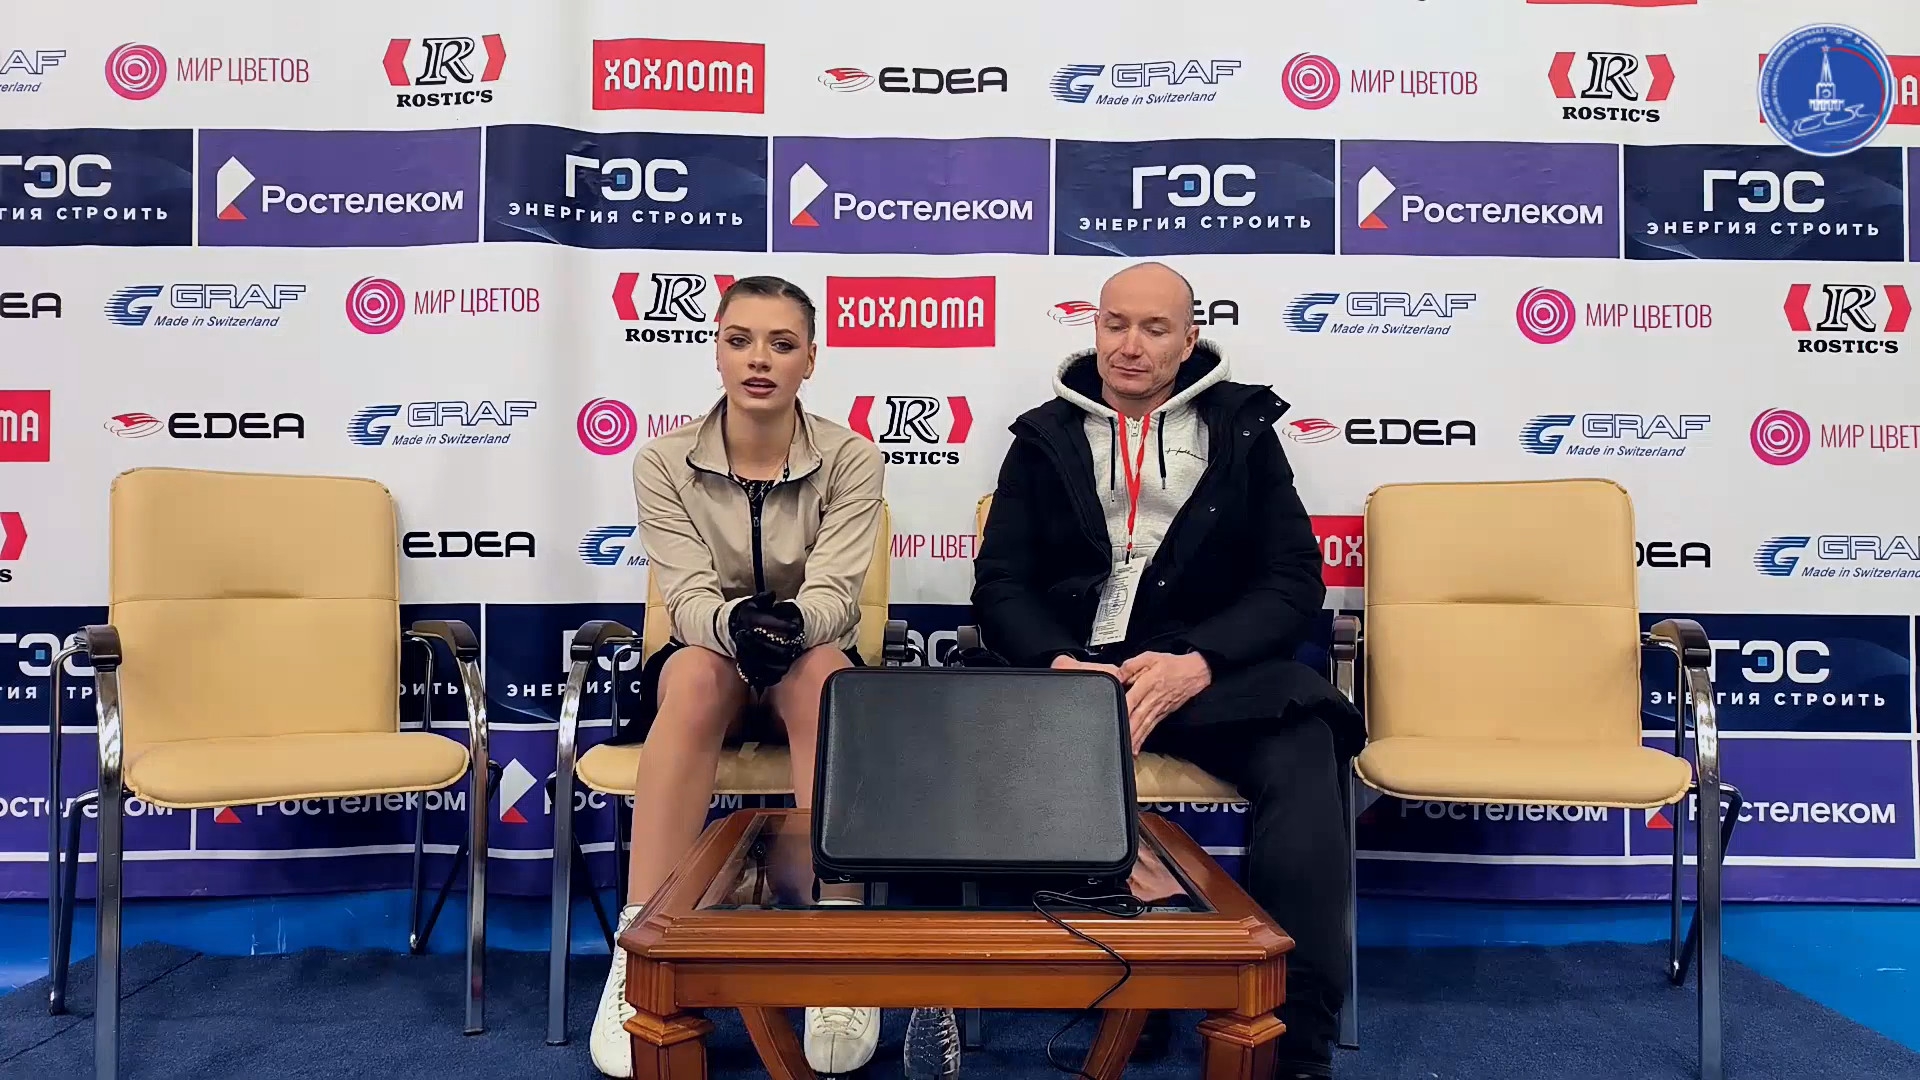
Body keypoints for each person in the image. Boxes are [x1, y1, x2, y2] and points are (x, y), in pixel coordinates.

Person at [971, 262, 1364, 1079]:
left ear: (1189, 341)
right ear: (1095, 329)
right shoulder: (1042, 437)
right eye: (1115, 324)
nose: (1130, 345)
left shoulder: (1243, 429)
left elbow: (1294, 580)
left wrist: (1200, 662)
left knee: (1307, 741)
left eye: (1154, 329)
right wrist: (1060, 665)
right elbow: (1001, 583)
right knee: (997, 740)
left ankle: (1293, 1032)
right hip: (1077, 675)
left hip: (1201, 670)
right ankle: (1133, 986)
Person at [591, 276, 886, 1078]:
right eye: (741, 340)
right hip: (711, 651)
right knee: (691, 677)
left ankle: (836, 942)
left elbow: (837, 589)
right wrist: (734, 628)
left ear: (810, 360)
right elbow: (685, 593)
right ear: (716, 350)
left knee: (825, 678)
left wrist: (791, 627)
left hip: (807, 650)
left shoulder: (853, 458)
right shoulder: (661, 461)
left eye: (782, 344)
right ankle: (642, 952)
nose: (760, 360)